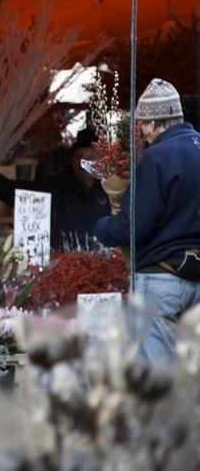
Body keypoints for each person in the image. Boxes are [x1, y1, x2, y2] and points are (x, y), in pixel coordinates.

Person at [94, 79, 200, 364]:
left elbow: (135, 226)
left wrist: (101, 227)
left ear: (154, 123)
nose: (141, 132)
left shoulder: (156, 158)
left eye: (142, 125)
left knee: (157, 379)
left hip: (161, 280)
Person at [0, 128, 110, 250]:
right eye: (82, 157)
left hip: (101, 262)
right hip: (66, 263)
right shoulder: (55, 186)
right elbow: (23, 193)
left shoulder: (106, 190)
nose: (87, 164)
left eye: (93, 157)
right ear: (72, 160)